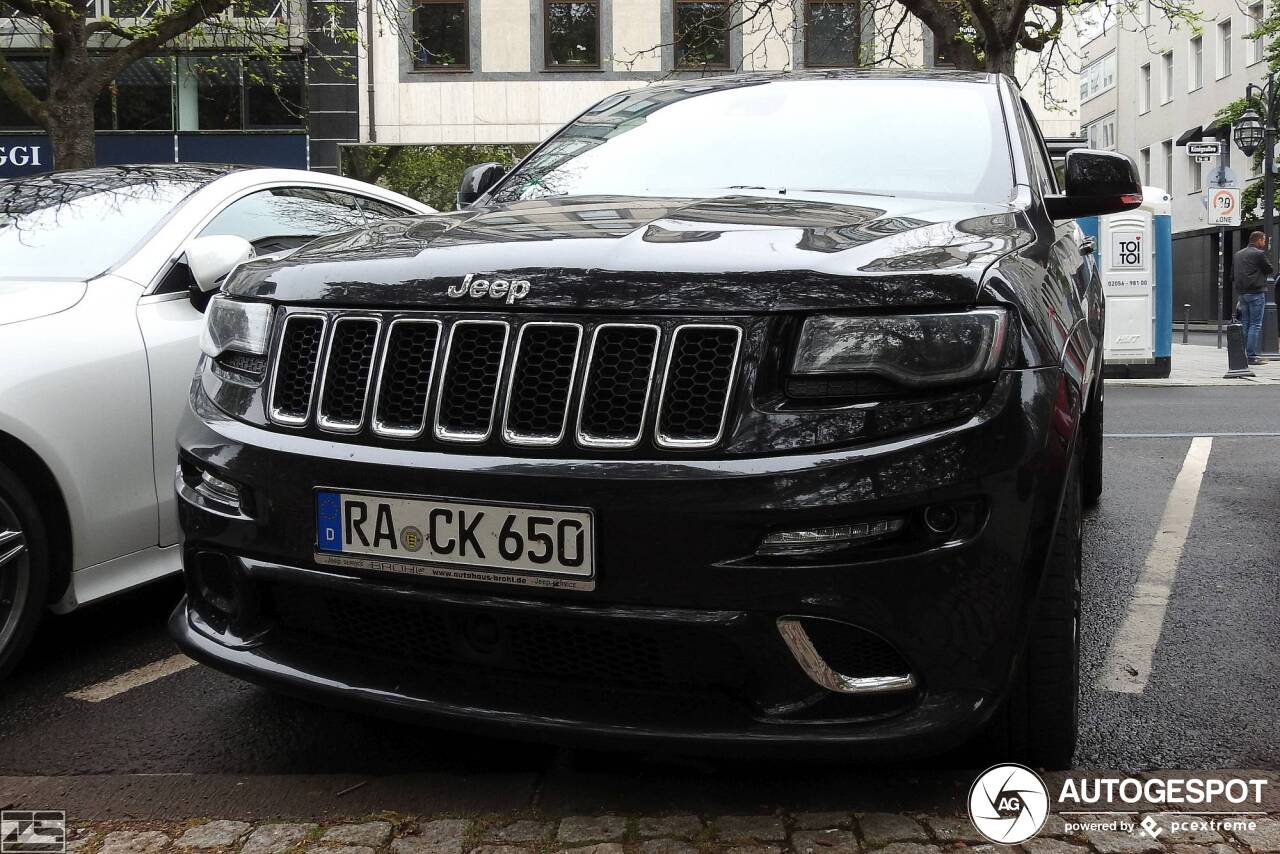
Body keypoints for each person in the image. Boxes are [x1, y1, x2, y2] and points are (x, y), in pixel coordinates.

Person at [1233, 231, 1273, 365]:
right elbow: (1269, 269)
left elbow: (1232, 274)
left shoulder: (1238, 255)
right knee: (1255, 325)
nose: (1264, 243)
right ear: (1259, 240)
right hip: (1256, 292)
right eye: (1263, 240)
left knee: (1246, 324)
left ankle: (1243, 354)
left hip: (1242, 294)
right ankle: (1251, 356)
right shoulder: (1259, 254)